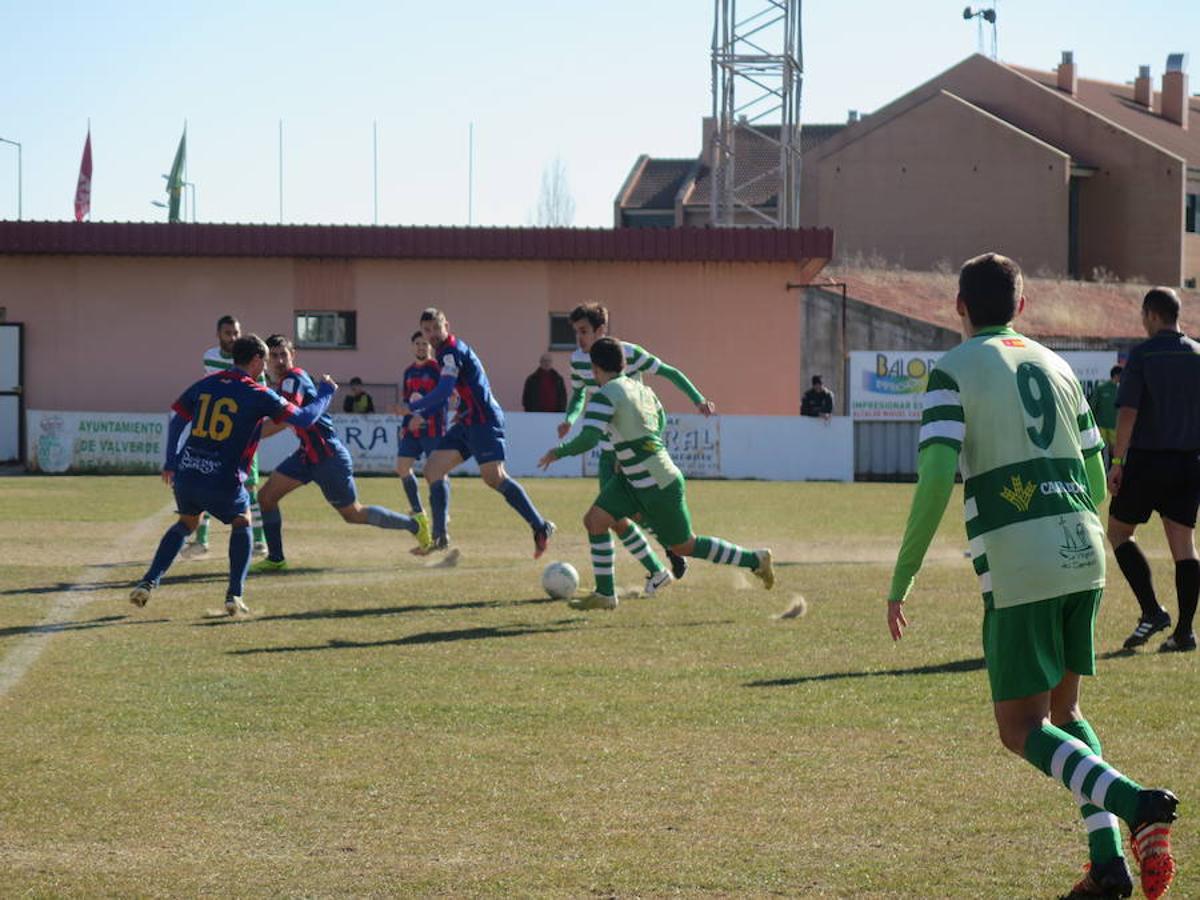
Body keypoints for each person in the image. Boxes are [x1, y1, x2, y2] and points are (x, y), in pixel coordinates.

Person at [885, 253, 1177, 900]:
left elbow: (937, 477)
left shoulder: (950, 369)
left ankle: (1135, 803)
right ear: (1022, 307)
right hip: (1085, 548)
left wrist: (902, 578)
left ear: (958, 307)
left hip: (1023, 560)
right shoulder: (1059, 365)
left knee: (1020, 728)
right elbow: (1098, 476)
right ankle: (1106, 866)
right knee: (1066, 712)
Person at [539, 337, 772, 609]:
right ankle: (605, 594)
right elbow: (658, 421)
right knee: (596, 520)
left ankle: (755, 560)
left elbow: (590, 439)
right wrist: (626, 454)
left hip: (656, 483)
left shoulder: (604, 395)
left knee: (684, 545)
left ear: (595, 368)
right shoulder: (640, 389)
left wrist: (559, 451)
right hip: (637, 477)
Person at [129, 335, 335, 615]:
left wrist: (171, 461)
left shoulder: (208, 383)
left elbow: (178, 418)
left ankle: (149, 580)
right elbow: (303, 419)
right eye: (264, 361)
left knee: (186, 523)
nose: (265, 369)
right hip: (223, 477)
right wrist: (325, 393)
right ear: (256, 360)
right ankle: (234, 595)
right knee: (242, 521)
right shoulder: (256, 393)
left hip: (188, 472)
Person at [558, 302, 715, 590]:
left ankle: (663, 555)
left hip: (633, 448)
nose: (579, 338)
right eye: (576, 332)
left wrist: (698, 398)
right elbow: (579, 394)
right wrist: (569, 418)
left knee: (615, 514)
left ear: (601, 330)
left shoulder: (629, 353)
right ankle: (659, 567)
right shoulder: (578, 360)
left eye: (583, 331)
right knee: (615, 518)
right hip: (608, 449)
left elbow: (669, 372)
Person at [251, 334, 431, 572]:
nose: (279, 360)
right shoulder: (285, 383)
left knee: (353, 514)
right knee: (266, 497)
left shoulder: (292, 380)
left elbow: (284, 421)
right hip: (307, 455)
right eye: (273, 356)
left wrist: (248, 435)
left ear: (293, 355)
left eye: (283, 354)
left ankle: (415, 525)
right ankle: (276, 558)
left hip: (328, 458)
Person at [398, 308, 554, 557]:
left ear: (446, 325)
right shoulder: (442, 353)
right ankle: (440, 537)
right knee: (433, 470)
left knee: (494, 477)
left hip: (484, 420)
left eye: (436, 328)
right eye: (427, 330)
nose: (432, 334)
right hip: (468, 419)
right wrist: (425, 414)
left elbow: (443, 390)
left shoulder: (451, 351)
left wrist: (413, 407)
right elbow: (449, 393)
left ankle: (540, 526)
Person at [1107, 288, 1200, 654]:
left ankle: (1152, 610)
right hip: (1189, 462)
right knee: (1184, 547)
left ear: (1151, 315)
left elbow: (1128, 411)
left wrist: (1117, 462)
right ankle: (1185, 632)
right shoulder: (1197, 354)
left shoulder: (1144, 354)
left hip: (1147, 461)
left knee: (1118, 533)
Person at [181, 315, 269, 559]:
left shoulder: (251, 360)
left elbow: (261, 394)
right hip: (217, 435)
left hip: (242, 434)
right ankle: (201, 540)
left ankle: (260, 541)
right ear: (218, 334)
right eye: (228, 333)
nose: (233, 337)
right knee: (207, 481)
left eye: (236, 333)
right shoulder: (209, 357)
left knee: (248, 487)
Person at [395, 331, 449, 524]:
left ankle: (443, 513)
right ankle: (418, 512)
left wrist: (423, 416)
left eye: (425, 344)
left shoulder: (437, 369)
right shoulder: (408, 371)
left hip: (433, 428)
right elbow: (407, 400)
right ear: (413, 346)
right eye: (418, 343)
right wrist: (405, 423)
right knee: (402, 467)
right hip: (411, 428)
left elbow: (444, 398)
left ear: (430, 347)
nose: (421, 347)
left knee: (437, 471)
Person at [1088, 365, 1121, 463]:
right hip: (1101, 425)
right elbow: (1092, 405)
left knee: (1114, 451)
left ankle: (1112, 471)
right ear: (1116, 375)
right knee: (1100, 450)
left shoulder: (1121, 389)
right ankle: (1101, 470)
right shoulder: (1101, 388)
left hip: (1114, 425)